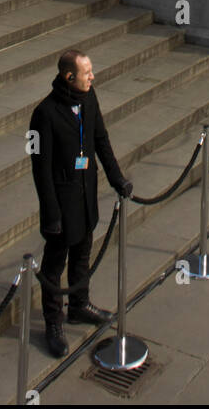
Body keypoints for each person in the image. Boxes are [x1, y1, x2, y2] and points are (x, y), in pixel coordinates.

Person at [29, 48, 132, 359]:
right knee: (54, 264)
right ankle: (53, 322)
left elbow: (101, 139)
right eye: (87, 73)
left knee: (83, 253)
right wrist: (50, 214)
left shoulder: (89, 98)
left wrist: (117, 179)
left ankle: (79, 304)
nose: (93, 77)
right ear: (69, 76)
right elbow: (41, 169)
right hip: (62, 201)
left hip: (86, 193)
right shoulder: (44, 114)